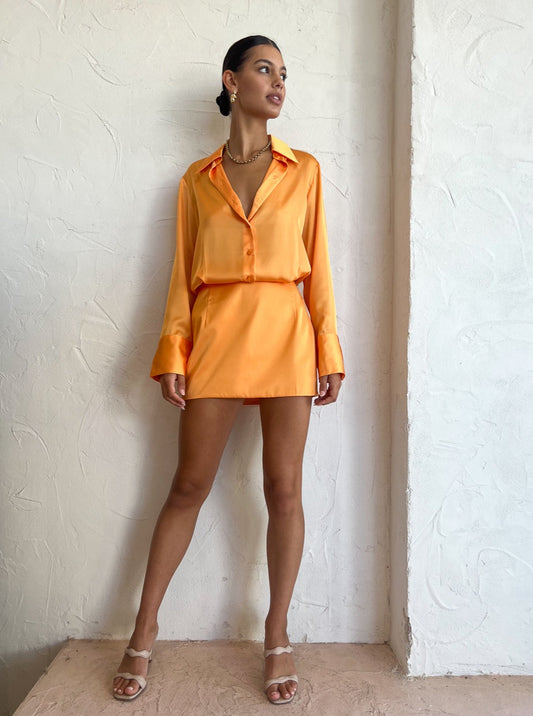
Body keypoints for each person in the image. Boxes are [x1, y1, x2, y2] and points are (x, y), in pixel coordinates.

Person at [112, 35, 345, 706]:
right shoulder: (196, 179)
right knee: (188, 485)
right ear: (232, 81)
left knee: (282, 488)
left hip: (286, 336)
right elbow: (180, 275)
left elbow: (319, 270)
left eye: (283, 73)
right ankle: (144, 628)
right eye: (264, 69)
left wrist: (328, 350)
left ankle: (276, 632)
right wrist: (173, 351)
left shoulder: (304, 171)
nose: (278, 82)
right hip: (215, 334)